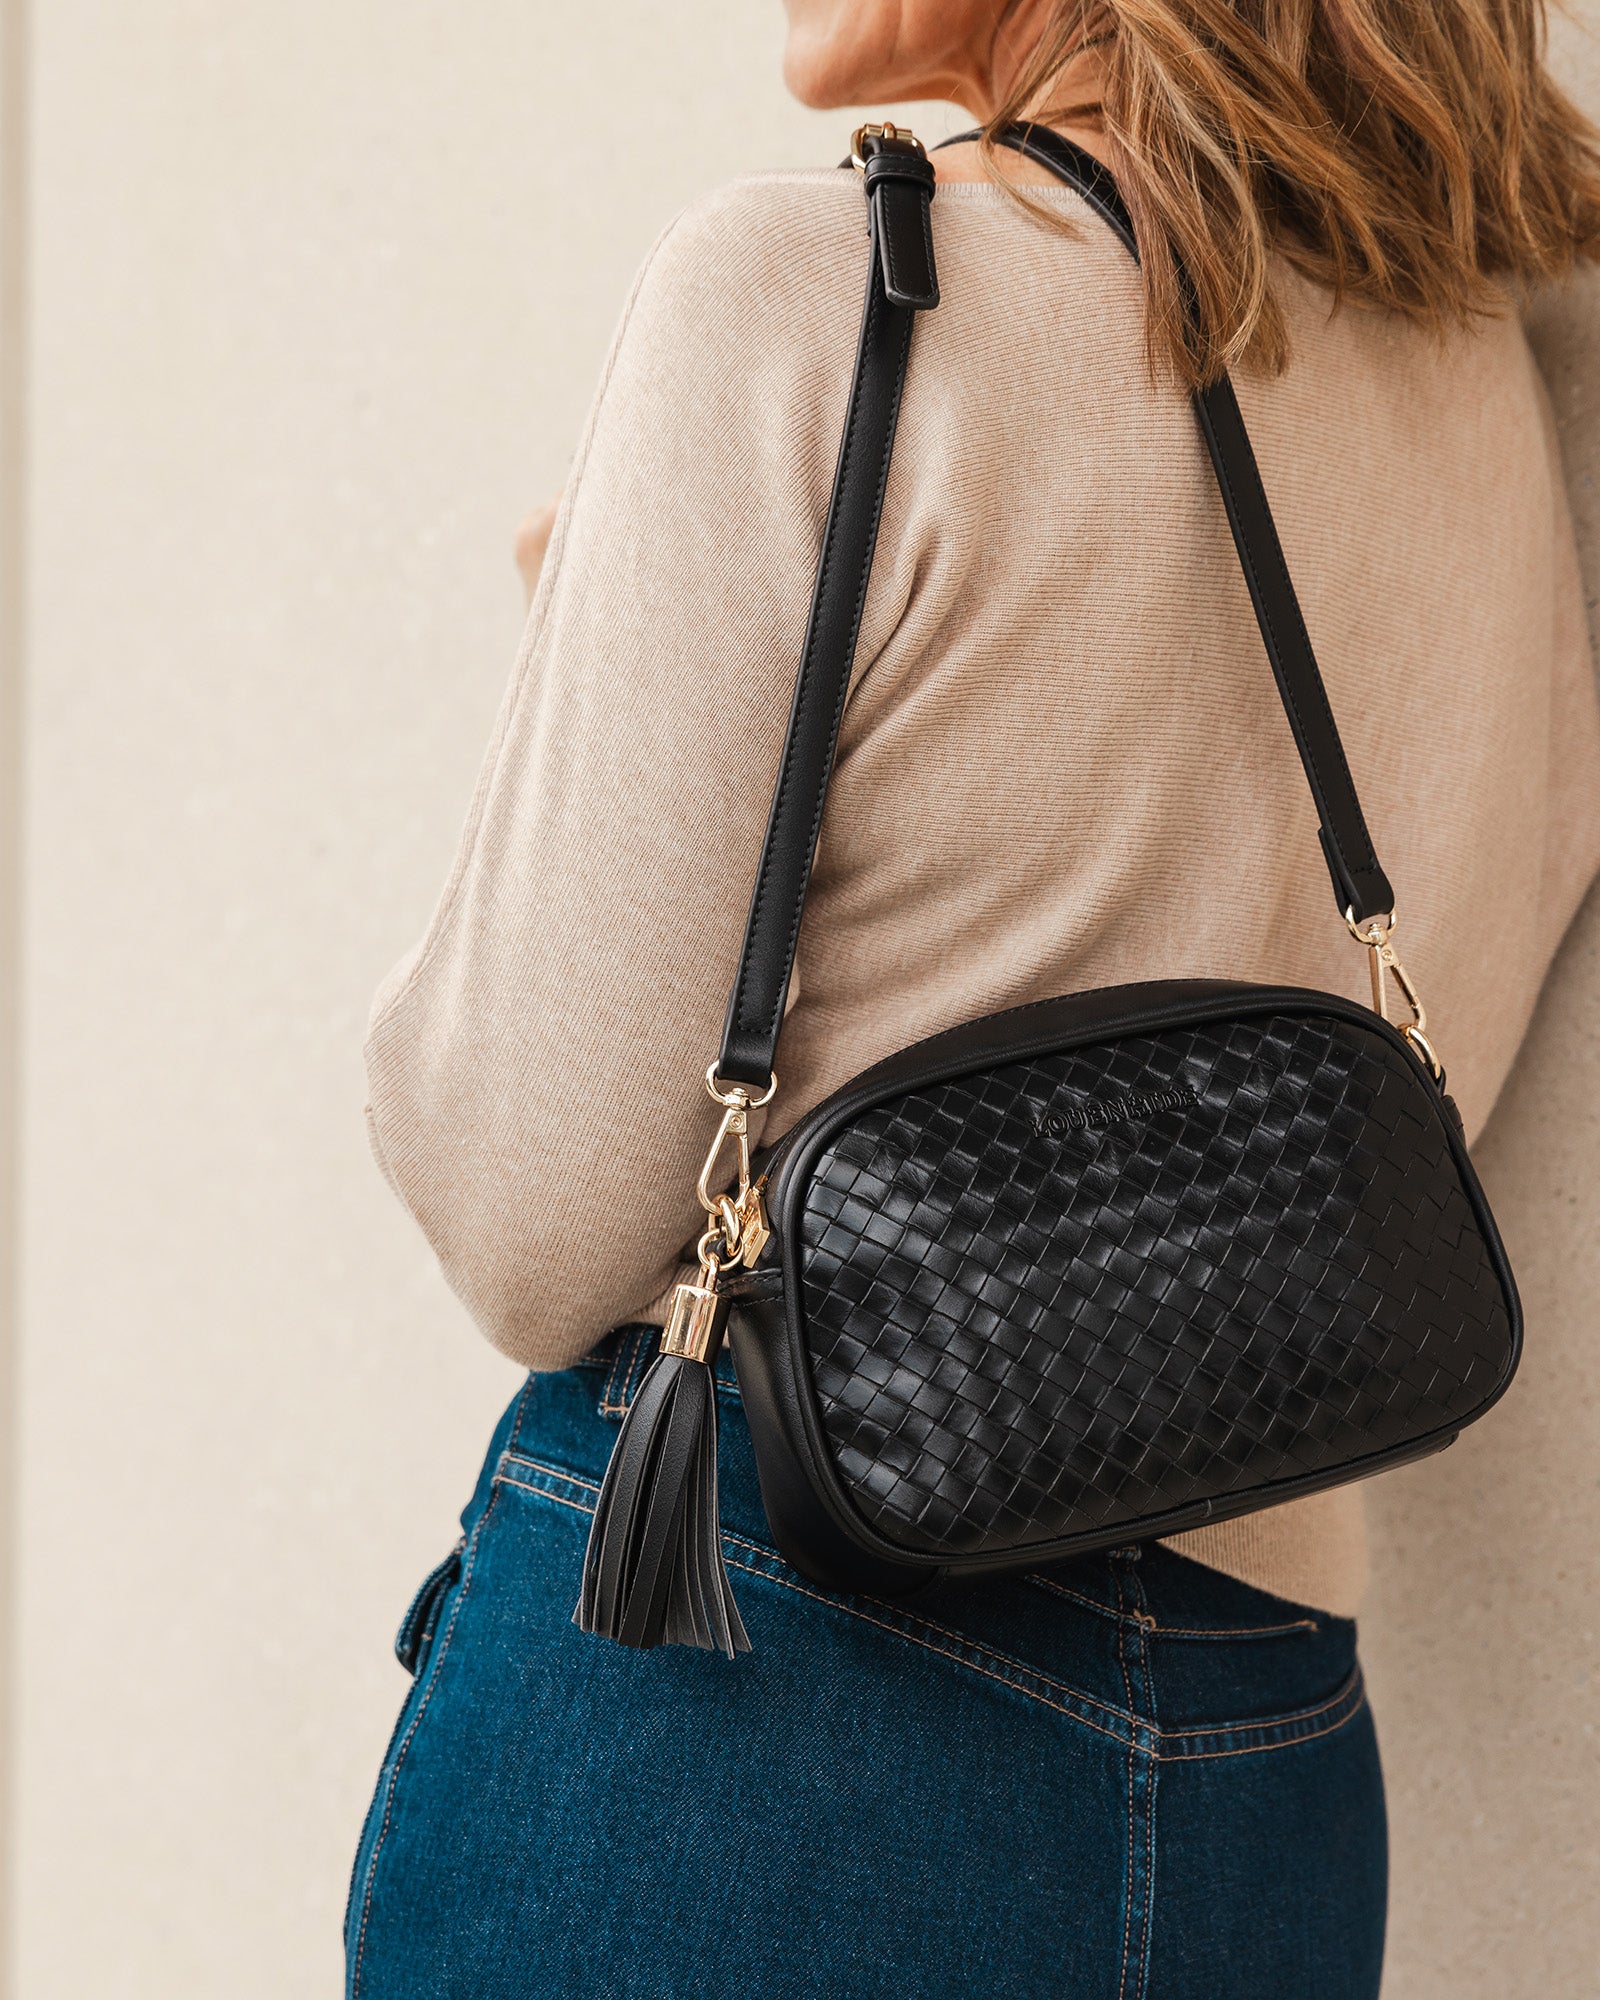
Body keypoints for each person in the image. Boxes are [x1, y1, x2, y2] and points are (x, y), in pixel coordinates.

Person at [345, 3, 1600, 1995]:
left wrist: (569, 649)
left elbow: (527, 1208)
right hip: (1265, 1771)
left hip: (755, 1702)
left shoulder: (817, 295)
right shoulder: (1507, 392)